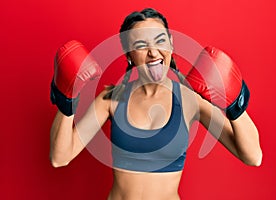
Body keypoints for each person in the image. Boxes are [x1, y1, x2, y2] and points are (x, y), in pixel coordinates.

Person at [50, 8, 262, 200]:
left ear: (171, 43)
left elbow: (253, 156)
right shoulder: (111, 98)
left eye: (160, 41)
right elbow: (60, 158)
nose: (153, 52)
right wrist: (66, 101)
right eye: (141, 45)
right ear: (129, 54)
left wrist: (235, 104)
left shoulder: (189, 100)